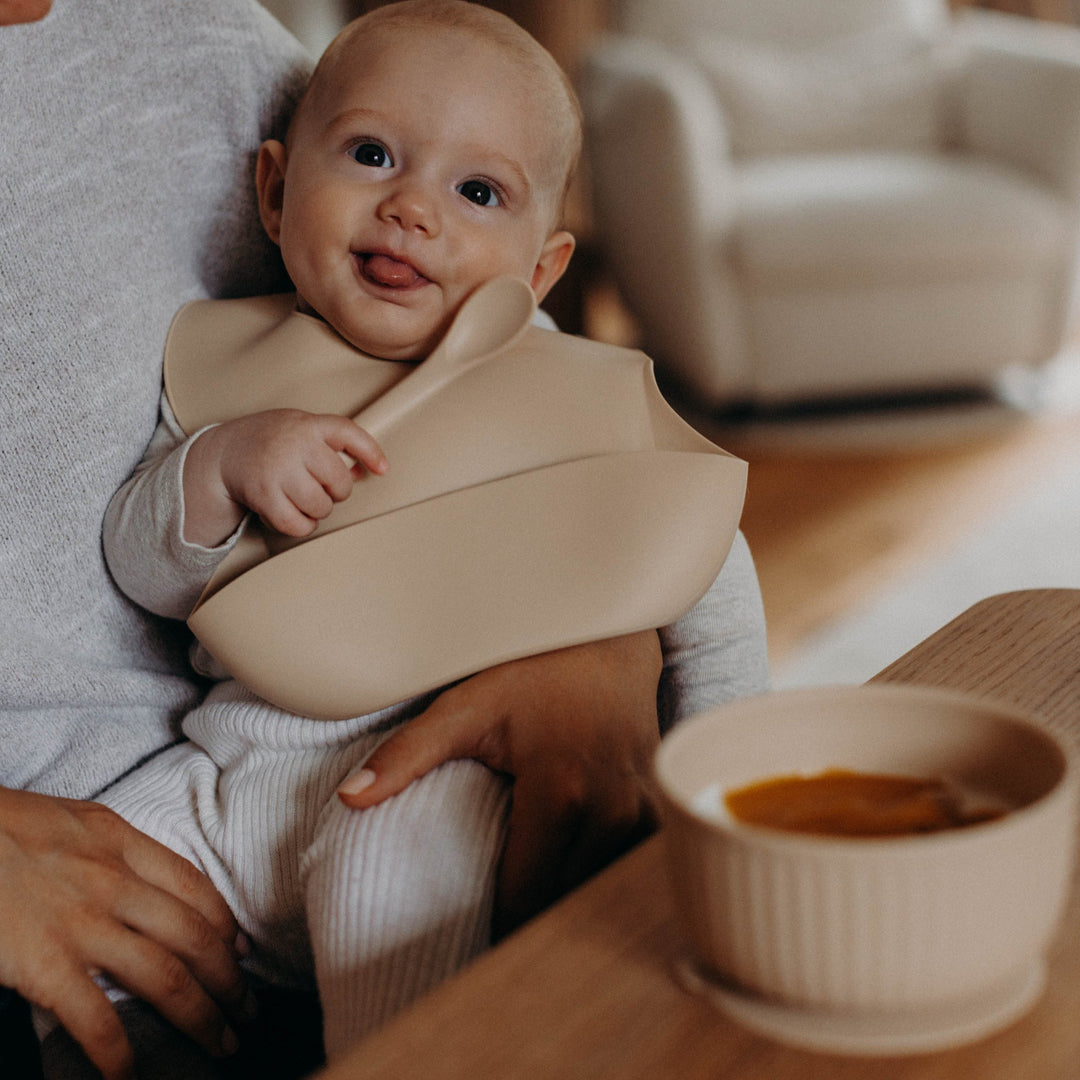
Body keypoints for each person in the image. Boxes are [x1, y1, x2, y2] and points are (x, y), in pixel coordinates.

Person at [2, 0, 768, 1077]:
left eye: (477, 192)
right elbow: (143, 567)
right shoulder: (237, 371)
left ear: (539, 274)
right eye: (371, 157)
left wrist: (718, 793)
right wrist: (220, 469)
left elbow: (700, 563)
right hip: (217, 788)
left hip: (419, 774)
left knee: (388, 873)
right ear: (273, 192)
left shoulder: (553, 394)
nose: (412, 209)